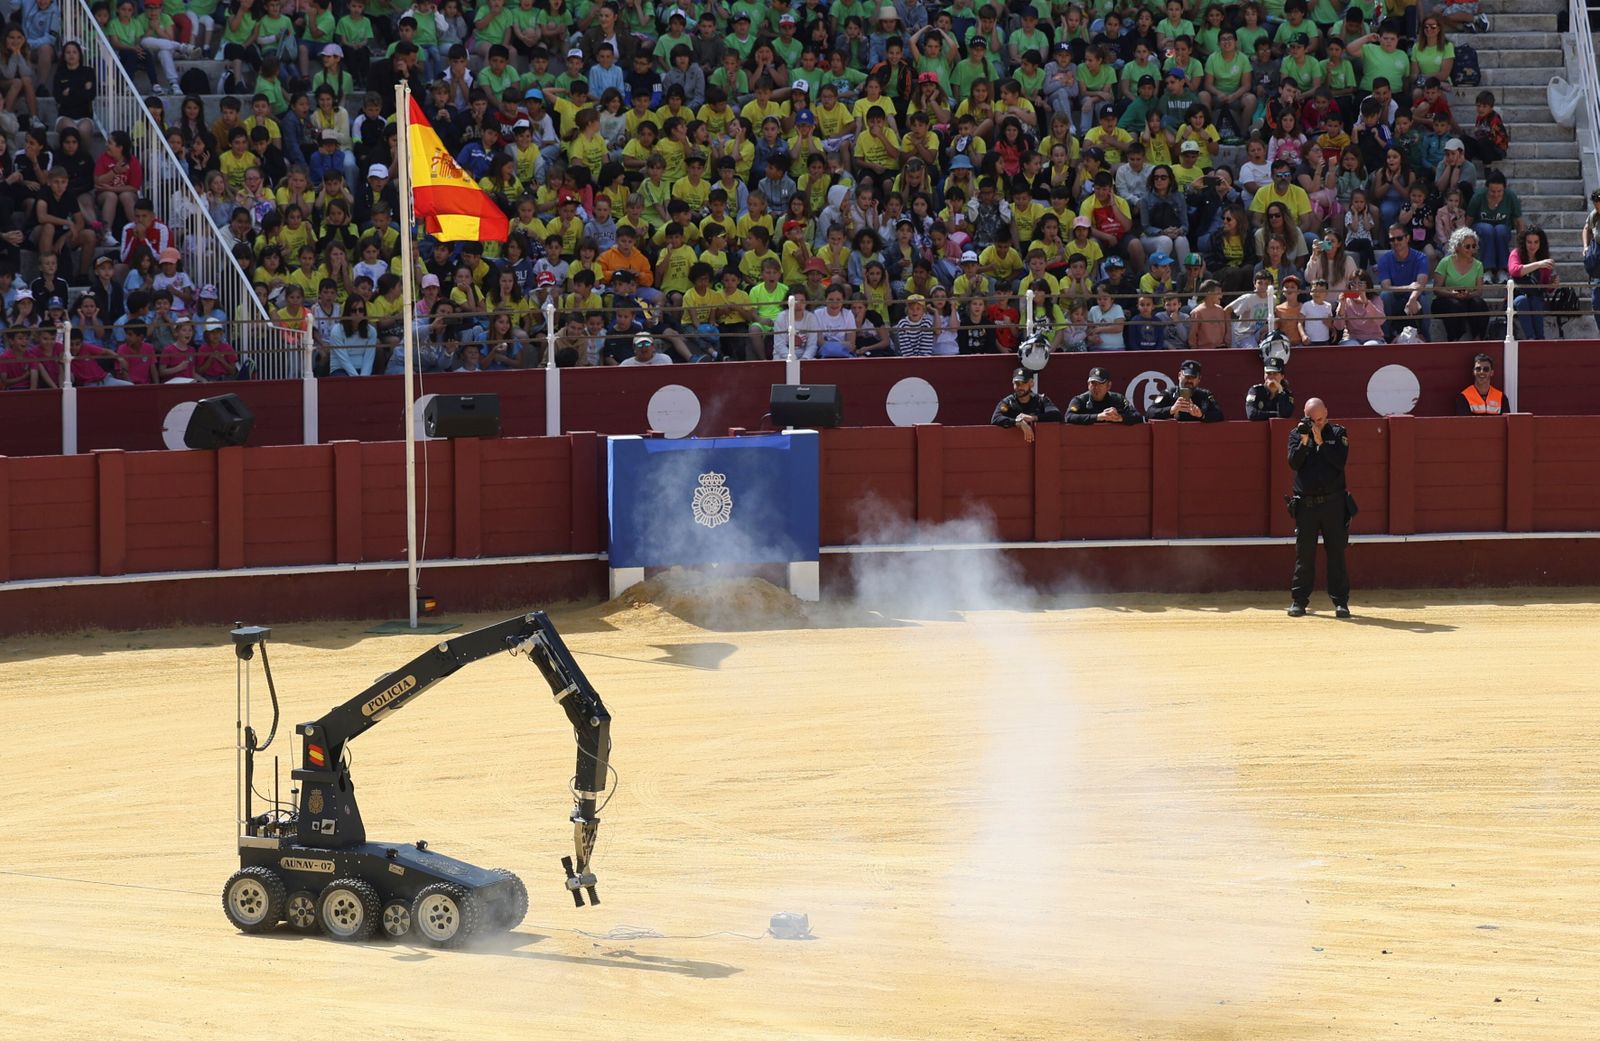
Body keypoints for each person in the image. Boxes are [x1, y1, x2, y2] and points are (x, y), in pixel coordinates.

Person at [1287, 396, 1351, 618]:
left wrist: (1321, 442)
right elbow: (1294, 463)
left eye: (1322, 419)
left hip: (1333, 503)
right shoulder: (1297, 434)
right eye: (1314, 420)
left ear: (1327, 413)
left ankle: (1341, 602)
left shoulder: (1338, 433)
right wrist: (1306, 441)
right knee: (1304, 554)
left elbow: (1339, 462)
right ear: (1306, 417)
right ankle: (1299, 601)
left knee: (1336, 553)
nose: (1319, 423)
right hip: (1306, 505)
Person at [991, 366, 1062, 443]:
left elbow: (1057, 415)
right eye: (1017, 383)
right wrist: (1019, 422)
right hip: (1013, 443)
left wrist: (1033, 418)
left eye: (1023, 383)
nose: (1019, 387)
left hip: (1042, 442)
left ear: (1031, 383)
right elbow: (996, 418)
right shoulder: (1008, 402)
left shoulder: (1040, 400)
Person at [1146, 358, 1224, 421]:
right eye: (1187, 377)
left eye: (1193, 377)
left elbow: (1219, 415)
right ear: (1179, 375)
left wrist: (1201, 414)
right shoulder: (1168, 393)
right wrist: (1172, 409)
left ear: (1199, 379)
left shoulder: (1204, 395)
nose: (1189, 381)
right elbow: (1149, 413)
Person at [1064, 366, 1142, 424]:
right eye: (1093, 383)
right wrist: (1098, 417)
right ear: (1088, 384)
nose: (1096, 387)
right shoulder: (1079, 400)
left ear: (1108, 386)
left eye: (1100, 383)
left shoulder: (1118, 399)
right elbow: (1069, 417)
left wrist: (1119, 417)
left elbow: (1138, 417)